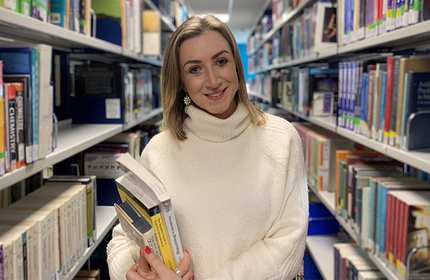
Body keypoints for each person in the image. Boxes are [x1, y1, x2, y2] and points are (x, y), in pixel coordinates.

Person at [107, 15, 308, 280]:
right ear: (181, 81)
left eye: (221, 61)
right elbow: (125, 238)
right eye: (195, 69)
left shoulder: (282, 139)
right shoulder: (157, 151)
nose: (213, 80)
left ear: (236, 64)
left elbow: (288, 243)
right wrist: (134, 273)